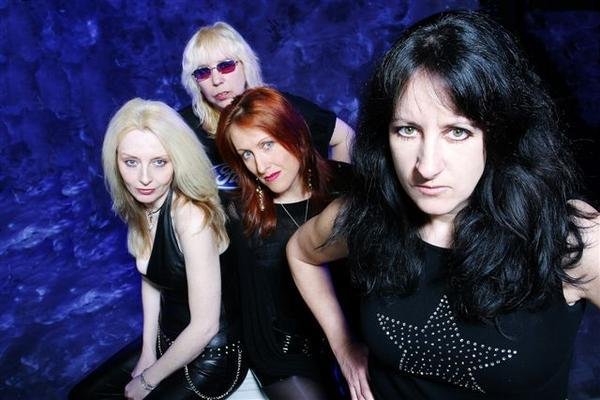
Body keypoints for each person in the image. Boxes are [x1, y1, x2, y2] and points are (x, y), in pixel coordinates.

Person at [286, 11, 599, 400]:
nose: (426, 166)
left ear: (500, 134)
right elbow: (300, 252)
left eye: (457, 131)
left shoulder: (570, 237)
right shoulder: (367, 216)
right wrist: (344, 346)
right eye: (407, 130)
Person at [69, 98, 246, 399]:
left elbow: (205, 326)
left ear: (178, 160)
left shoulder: (191, 217)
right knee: (83, 395)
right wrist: (148, 351)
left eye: (159, 162)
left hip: (212, 355)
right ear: (116, 161)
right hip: (169, 339)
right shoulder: (141, 202)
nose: (144, 178)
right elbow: (151, 280)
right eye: (131, 162)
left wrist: (149, 380)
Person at [214, 87, 354, 399]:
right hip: (285, 354)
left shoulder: (345, 184)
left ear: (294, 133)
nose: (260, 166)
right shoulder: (241, 215)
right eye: (246, 154)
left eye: (267, 144)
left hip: (352, 337)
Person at [179, 21, 354, 190]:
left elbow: (344, 137)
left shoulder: (282, 108)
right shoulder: (182, 126)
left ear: (245, 65)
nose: (217, 80)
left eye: (226, 66)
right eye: (203, 72)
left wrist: (337, 197)